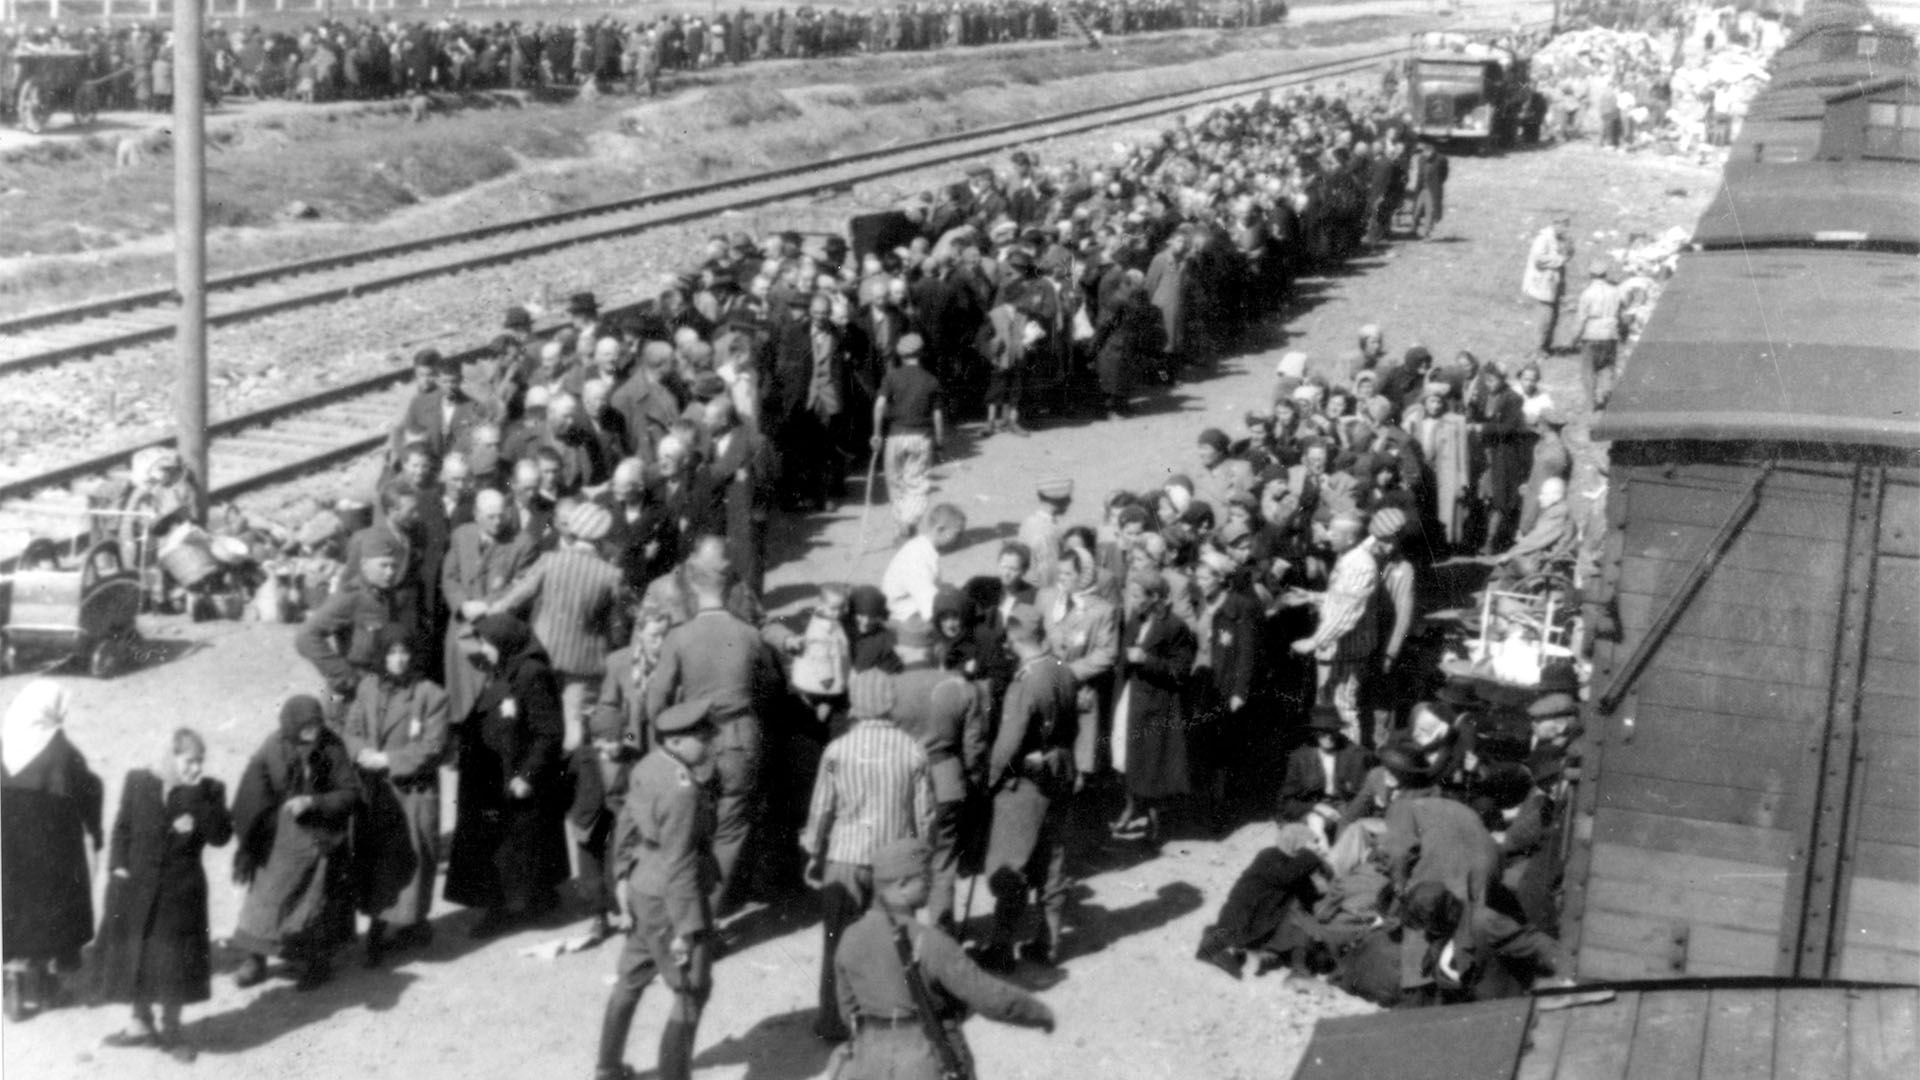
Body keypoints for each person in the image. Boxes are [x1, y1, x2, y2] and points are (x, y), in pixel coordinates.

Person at [832, 838, 1055, 1078]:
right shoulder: (930, 942)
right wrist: (1039, 1013)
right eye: (925, 877)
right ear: (903, 884)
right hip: (924, 1059)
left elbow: (848, 1008)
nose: (931, 883)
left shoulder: (850, 936)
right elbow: (990, 998)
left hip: (870, 1059)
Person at [800, 670, 936, 1043]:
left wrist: (814, 850)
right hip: (893, 864)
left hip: (844, 860)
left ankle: (834, 1020)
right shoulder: (912, 750)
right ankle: (894, 1016)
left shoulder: (835, 751)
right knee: (895, 942)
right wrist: (921, 858)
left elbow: (821, 808)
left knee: (837, 941)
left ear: (856, 705)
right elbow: (926, 816)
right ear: (890, 702)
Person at [645, 557, 784, 914]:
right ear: (729, 590)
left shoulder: (679, 636)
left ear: (693, 589)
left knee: (690, 825)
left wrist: (662, 737)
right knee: (731, 827)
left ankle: (684, 909)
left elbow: (656, 696)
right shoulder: (749, 634)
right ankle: (709, 913)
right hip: (740, 737)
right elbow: (770, 685)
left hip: (693, 741)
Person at [591, 700, 720, 1080]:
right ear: (677, 741)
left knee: (631, 979)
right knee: (690, 992)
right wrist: (687, 928)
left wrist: (621, 877)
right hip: (670, 898)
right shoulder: (682, 790)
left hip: (643, 887)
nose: (709, 741)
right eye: (702, 735)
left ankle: (608, 1067)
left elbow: (627, 824)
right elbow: (679, 862)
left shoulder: (648, 764)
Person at [95, 727, 231, 1063]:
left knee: (174, 964)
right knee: (138, 957)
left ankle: (172, 1030)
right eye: (188, 761)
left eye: (200, 761)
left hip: (180, 892)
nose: (195, 768)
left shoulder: (209, 791)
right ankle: (140, 1024)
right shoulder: (139, 781)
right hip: (137, 887)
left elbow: (220, 836)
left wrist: (197, 799)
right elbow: (122, 828)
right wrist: (117, 866)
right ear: (171, 757)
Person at [444, 614, 571, 939]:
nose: (483, 651)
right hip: (490, 774)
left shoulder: (532, 674)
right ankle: (527, 900)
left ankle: (504, 911)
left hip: (515, 777)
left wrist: (527, 775)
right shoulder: (504, 670)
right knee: (506, 845)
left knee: (511, 846)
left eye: (487, 644)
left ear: (504, 643)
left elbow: (549, 732)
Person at [230, 695, 364, 991]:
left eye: (317, 724)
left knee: (313, 905)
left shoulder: (332, 747)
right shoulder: (274, 745)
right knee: (265, 899)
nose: (313, 731)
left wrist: (313, 801)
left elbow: (350, 792)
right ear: (291, 725)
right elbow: (253, 786)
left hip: (319, 836)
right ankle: (256, 959)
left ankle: (315, 963)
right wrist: (259, 829)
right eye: (305, 726)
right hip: (280, 838)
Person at [977, 605, 1079, 971]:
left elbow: (1007, 745)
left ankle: (1001, 949)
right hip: (1060, 777)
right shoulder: (1062, 669)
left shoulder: (1025, 682)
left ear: (1014, 636)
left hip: (1025, 787)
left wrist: (989, 781)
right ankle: (1049, 943)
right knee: (1052, 862)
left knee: (1010, 865)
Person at [341, 628, 450, 966]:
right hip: (376, 790)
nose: (399, 660)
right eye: (391, 653)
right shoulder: (368, 687)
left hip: (412, 791)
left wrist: (388, 760)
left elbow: (432, 747)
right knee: (376, 860)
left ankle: (409, 924)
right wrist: (361, 754)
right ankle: (377, 930)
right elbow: (352, 729)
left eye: (405, 652)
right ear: (381, 656)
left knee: (413, 860)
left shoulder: (431, 694)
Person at [485, 501, 630, 753]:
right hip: (583, 664)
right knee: (574, 725)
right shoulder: (610, 575)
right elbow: (617, 626)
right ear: (601, 538)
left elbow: (515, 598)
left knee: (536, 720)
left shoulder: (549, 561)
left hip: (541, 654)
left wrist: (491, 611)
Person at [1, 680, 104, 1019]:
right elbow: (89, 787)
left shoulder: (4, 738)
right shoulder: (59, 749)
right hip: (52, 845)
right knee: (52, 908)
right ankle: (45, 984)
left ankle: (13, 978)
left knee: (13, 904)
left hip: (8, 845)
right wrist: (94, 830)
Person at [1111, 569, 1195, 844]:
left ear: (1155, 597)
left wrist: (1146, 659)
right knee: (1125, 754)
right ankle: (1131, 805)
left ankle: (1154, 817)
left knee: (1150, 761)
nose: (1132, 600)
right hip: (1131, 697)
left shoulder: (1175, 627)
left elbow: (1180, 671)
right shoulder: (1136, 619)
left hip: (1156, 703)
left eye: (1137, 595)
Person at [1290, 513, 1383, 745]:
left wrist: (1314, 641)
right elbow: (1338, 599)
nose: (1328, 535)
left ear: (1350, 537)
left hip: (1346, 650)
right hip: (1336, 649)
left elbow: (1347, 611)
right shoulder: (1349, 558)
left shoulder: (1360, 565)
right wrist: (1311, 597)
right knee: (1331, 708)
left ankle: (1350, 766)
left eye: (1334, 532)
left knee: (1342, 711)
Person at [569, 704, 639, 946]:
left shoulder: (631, 758)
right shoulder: (583, 757)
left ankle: (628, 915)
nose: (616, 745)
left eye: (620, 738)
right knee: (590, 873)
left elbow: (638, 786)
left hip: (618, 823)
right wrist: (573, 813)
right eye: (609, 741)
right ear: (597, 740)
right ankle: (599, 917)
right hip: (589, 823)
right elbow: (565, 784)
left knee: (617, 870)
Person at [870, 332, 947, 540]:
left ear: (900, 354)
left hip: (895, 435)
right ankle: (909, 522)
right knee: (917, 482)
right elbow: (937, 415)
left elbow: (879, 406)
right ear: (921, 354)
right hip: (921, 437)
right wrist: (939, 442)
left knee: (895, 482)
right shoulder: (931, 380)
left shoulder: (891, 377)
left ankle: (901, 526)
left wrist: (877, 434)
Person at [881, 502, 967, 623]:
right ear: (940, 529)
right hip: (907, 619)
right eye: (957, 534)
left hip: (911, 609)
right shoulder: (918, 559)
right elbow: (930, 608)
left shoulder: (921, 548)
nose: (961, 540)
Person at [1571, 258, 1624, 410]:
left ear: (1591, 275)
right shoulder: (1615, 292)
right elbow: (1620, 314)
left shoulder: (1587, 294)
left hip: (1592, 334)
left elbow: (1581, 318)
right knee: (1608, 367)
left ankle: (1591, 401)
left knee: (1588, 370)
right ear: (1605, 274)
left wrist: (1574, 337)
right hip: (1610, 334)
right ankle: (1607, 396)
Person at [1521, 214, 1573, 356]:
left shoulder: (1561, 238)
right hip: (1543, 284)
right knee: (1545, 317)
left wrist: (1568, 247)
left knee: (1553, 316)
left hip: (1554, 283)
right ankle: (1538, 348)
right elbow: (1539, 259)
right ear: (1556, 224)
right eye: (1563, 227)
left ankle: (1546, 346)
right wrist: (1559, 260)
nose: (1566, 230)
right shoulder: (1543, 239)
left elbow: (1569, 253)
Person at [1017, 479, 1073, 598]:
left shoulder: (1029, 522)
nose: (1070, 501)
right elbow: (1050, 574)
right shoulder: (1048, 533)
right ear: (1058, 501)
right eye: (1067, 498)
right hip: (1041, 594)